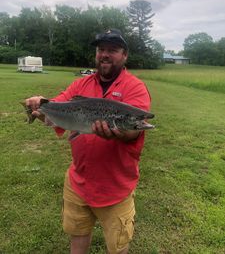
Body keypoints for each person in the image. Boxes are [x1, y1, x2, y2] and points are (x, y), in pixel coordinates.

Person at [26, 29, 151, 254]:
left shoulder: (135, 87)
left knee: (118, 247)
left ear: (124, 55)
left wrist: (118, 132)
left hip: (116, 189)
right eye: (101, 49)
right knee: (78, 238)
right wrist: (40, 106)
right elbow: (56, 108)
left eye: (112, 50)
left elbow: (134, 130)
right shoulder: (80, 85)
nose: (105, 54)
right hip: (78, 182)